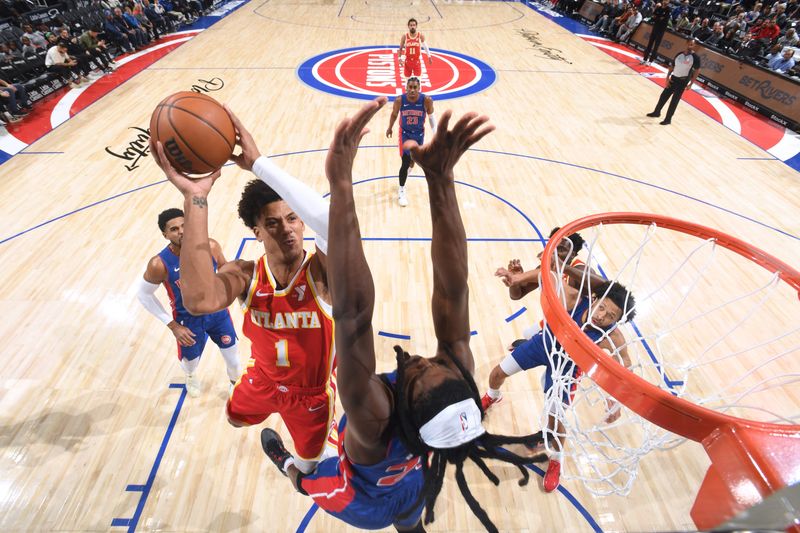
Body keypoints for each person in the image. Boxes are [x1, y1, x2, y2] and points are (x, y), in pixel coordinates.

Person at [259, 98, 544, 533]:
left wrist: (342, 185)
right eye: (436, 365)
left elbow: (353, 313)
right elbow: (453, 288)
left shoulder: (372, 417)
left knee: (307, 480)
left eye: (416, 375)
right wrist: (441, 179)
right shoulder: (454, 378)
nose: (418, 360)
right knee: (412, 524)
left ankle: (286, 466)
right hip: (412, 483)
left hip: (360, 498)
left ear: (406, 410)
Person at [150, 107, 338, 474]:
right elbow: (200, 300)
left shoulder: (322, 272)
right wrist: (194, 198)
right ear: (257, 231)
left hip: (311, 396)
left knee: (307, 468)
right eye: (272, 223)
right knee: (234, 418)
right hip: (263, 379)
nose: (287, 229)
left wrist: (260, 164)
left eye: (292, 218)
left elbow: (333, 222)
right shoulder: (245, 274)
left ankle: (287, 466)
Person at [482, 263, 636, 493]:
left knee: (556, 420)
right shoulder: (574, 299)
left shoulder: (612, 336)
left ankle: (556, 459)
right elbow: (550, 275)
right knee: (496, 374)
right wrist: (517, 278)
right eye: (602, 307)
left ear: (617, 320)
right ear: (594, 299)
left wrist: (618, 398)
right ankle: (493, 396)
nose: (601, 316)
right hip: (543, 345)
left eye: (610, 316)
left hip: (567, 369)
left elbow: (626, 366)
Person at [136, 208, 242, 397]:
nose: (182, 231)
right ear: (165, 234)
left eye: (185, 225)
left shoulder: (210, 246)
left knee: (233, 358)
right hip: (188, 322)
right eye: (174, 229)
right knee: (190, 362)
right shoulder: (159, 264)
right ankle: (191, 375)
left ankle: (235, 383)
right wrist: (173, 326)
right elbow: (144, 295)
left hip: (218, 315)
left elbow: (226, 270)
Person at [494, 227, 591, 350]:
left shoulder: (580, 270)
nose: (554, 251)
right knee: (528, 333)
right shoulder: (545, 266)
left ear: (573, 254)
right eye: (552, 245)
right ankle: (534, 341)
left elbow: (596, 282)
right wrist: (516, 280)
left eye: (561, 249)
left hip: (577, 327)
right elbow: (517, 295)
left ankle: (535, 344)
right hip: (555, 319)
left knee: (540, 349)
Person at [385, 77, 435, 207]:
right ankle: (401, 190)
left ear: (419, 88)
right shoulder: (400, 100)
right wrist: (390, 127)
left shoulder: (427, 100)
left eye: (415, 87)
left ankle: (407, 173)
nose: (412, 90)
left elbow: (431, 117)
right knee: (405, 161)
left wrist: (436, 133)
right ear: (406, 88)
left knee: (413, 161)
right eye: (410, 87)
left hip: (419, 135)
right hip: (405, 135)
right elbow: (394, 114)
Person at [646, 37, 701, 125]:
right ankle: (657, 112)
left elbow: (697, 71)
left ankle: (668, 119)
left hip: (683, 81)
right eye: (689, 43)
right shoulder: (679, 54)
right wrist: (667, 78)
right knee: (663, 96)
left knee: (674, 100)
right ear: (686, 43)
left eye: (692, 44)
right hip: (673, 78)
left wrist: (691, 83)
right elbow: (672, 66)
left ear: (694, 46)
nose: (690, 45)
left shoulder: (695, 57)